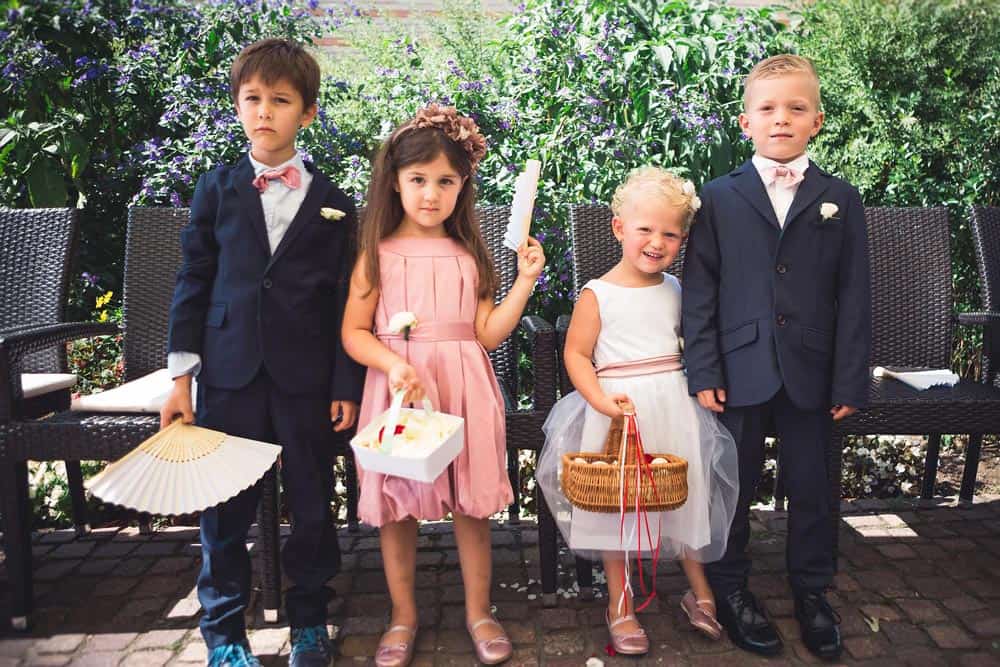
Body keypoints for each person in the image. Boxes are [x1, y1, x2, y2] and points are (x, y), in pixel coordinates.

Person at [161, 38, 364, 667]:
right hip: (229, 375)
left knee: (310, 503)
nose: (265, 111)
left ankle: (309, 621)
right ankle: (223, 631)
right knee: (224, 511)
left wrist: (344, 384)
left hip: (305, 380)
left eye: (280, 100)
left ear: (306, 113)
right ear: (238, 106)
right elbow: (193, 282)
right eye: (253, 99)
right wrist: (181, 379)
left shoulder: (333, 201)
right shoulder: (216, 189)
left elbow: (344, 304)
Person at [341, 103, 545, 667]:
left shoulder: (470, 257)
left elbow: (489, 333)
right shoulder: (376, 257)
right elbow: (354, 334)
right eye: (418, 180)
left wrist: (525, 283)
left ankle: (480, 610)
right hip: (401, 390)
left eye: (445, 181)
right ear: (396, 183)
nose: (431, 193)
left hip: (464, 388)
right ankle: (402, 615)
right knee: (397, 505)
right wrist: (390, 363)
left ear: (462, 187)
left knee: (473, 503)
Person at [682, 54, 872, 660]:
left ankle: (813, 592)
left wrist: (849, 377)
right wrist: (705, 369)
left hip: (813, 372)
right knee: (732, 487)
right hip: (738, 371)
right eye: (767, 109)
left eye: (796, 108)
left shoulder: (840, 198)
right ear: (746, 122)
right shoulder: (718, 197)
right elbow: (702, 289)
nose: (781, 119)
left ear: (816, 120)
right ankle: (731, 588)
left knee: (815, 485)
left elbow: (854, 293)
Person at [536, 167, 738, 655]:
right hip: (619, 412)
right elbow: (576, 355)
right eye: (645, 229)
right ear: (618, 227)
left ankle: (699, 589)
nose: (656, 242)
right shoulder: (597, 293)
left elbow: (694, 341)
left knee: (685, 497)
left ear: (683, 239)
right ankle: (619, 601)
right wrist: (600, 401)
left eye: (670, 233)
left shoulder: (676, 289)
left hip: (673, 403)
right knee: (618, 506)